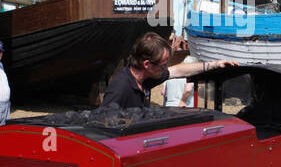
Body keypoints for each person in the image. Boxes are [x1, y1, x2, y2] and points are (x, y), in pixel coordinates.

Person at [99, 32, 231, 112]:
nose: (165, 68)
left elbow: (178, 70)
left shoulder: (145, 78)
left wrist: (213, 64)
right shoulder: (120, 88)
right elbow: (101, 124)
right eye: (163, 65)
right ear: (147, 64)